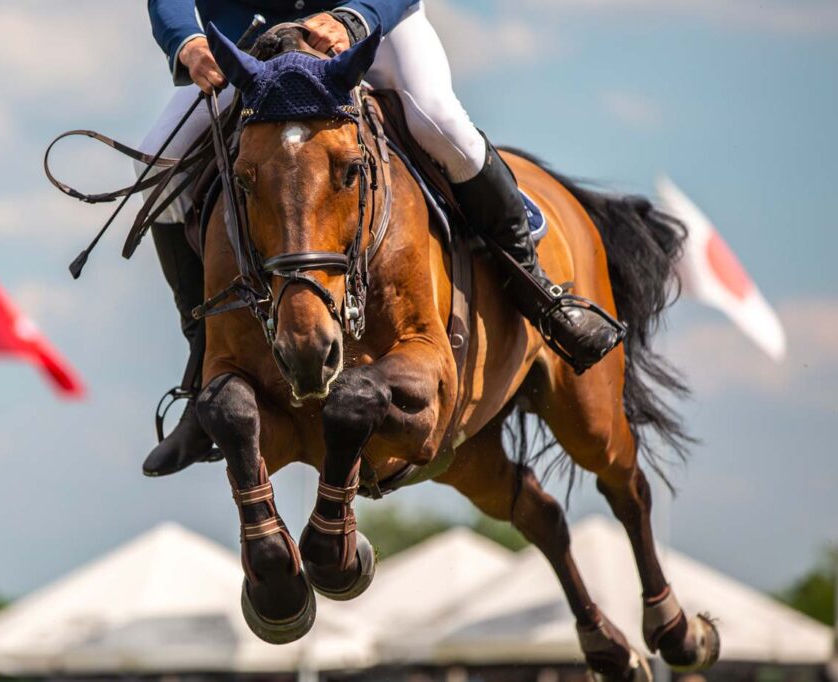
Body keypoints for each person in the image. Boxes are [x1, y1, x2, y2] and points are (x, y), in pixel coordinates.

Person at [139, 0, 624, 477]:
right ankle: (200, 366)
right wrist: (187, 40)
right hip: (249, 51)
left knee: (441, 122)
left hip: (364, 33)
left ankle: (539, 293)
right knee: (154, 163)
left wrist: (356, 17)